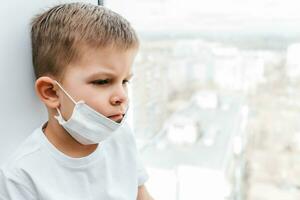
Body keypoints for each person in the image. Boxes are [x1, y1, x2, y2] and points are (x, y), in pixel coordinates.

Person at [0, 3, 154, 200]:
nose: (122, 96)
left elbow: (141, 194)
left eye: (124, 81)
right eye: (102, 81)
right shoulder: (21, 177)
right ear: (51, 92)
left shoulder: (120, 136)